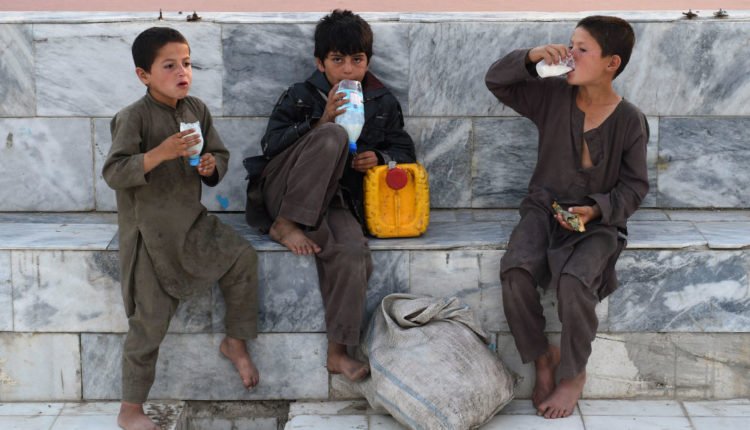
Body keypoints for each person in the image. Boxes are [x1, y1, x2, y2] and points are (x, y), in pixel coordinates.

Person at [485, 16, 649, 419]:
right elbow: (497, 81)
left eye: (582, 49)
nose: (570, 54)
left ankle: (574, 374)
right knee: (515, 273)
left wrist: (597, 209)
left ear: (611, 62)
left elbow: (634, 186)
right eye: (569, 45)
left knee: (576, 283)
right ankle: (543, 358)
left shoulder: (629, 120)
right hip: (543, 209)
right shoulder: (552, 96)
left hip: (597, 224)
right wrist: (532, 55)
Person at [245, 9, 416, 381]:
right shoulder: (301, 96)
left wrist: (380, 158)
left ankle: (338, 353)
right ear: (320, 63)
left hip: (333, 200)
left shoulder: (381, 101)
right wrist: (321, 122)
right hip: (285, 190)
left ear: (367, 61)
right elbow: (271, 146)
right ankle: (284, 224)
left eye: (357, 60)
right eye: (338, 60)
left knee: (353, 253)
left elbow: (405, 151)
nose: (348, 70)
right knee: (333, 135)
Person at [103, 27, 260, 430]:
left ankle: (235, 341)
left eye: (186, 63)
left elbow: (218, 153)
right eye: (169, 65)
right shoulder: (133, 117)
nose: (182, 72)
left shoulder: (196, 110)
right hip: (151, 236)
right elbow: (114, 171)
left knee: (242, 257)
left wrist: (211, 166)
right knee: (149, 321)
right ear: (144, 75)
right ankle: (130, 409)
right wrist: (160, 152)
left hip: (192, 224)